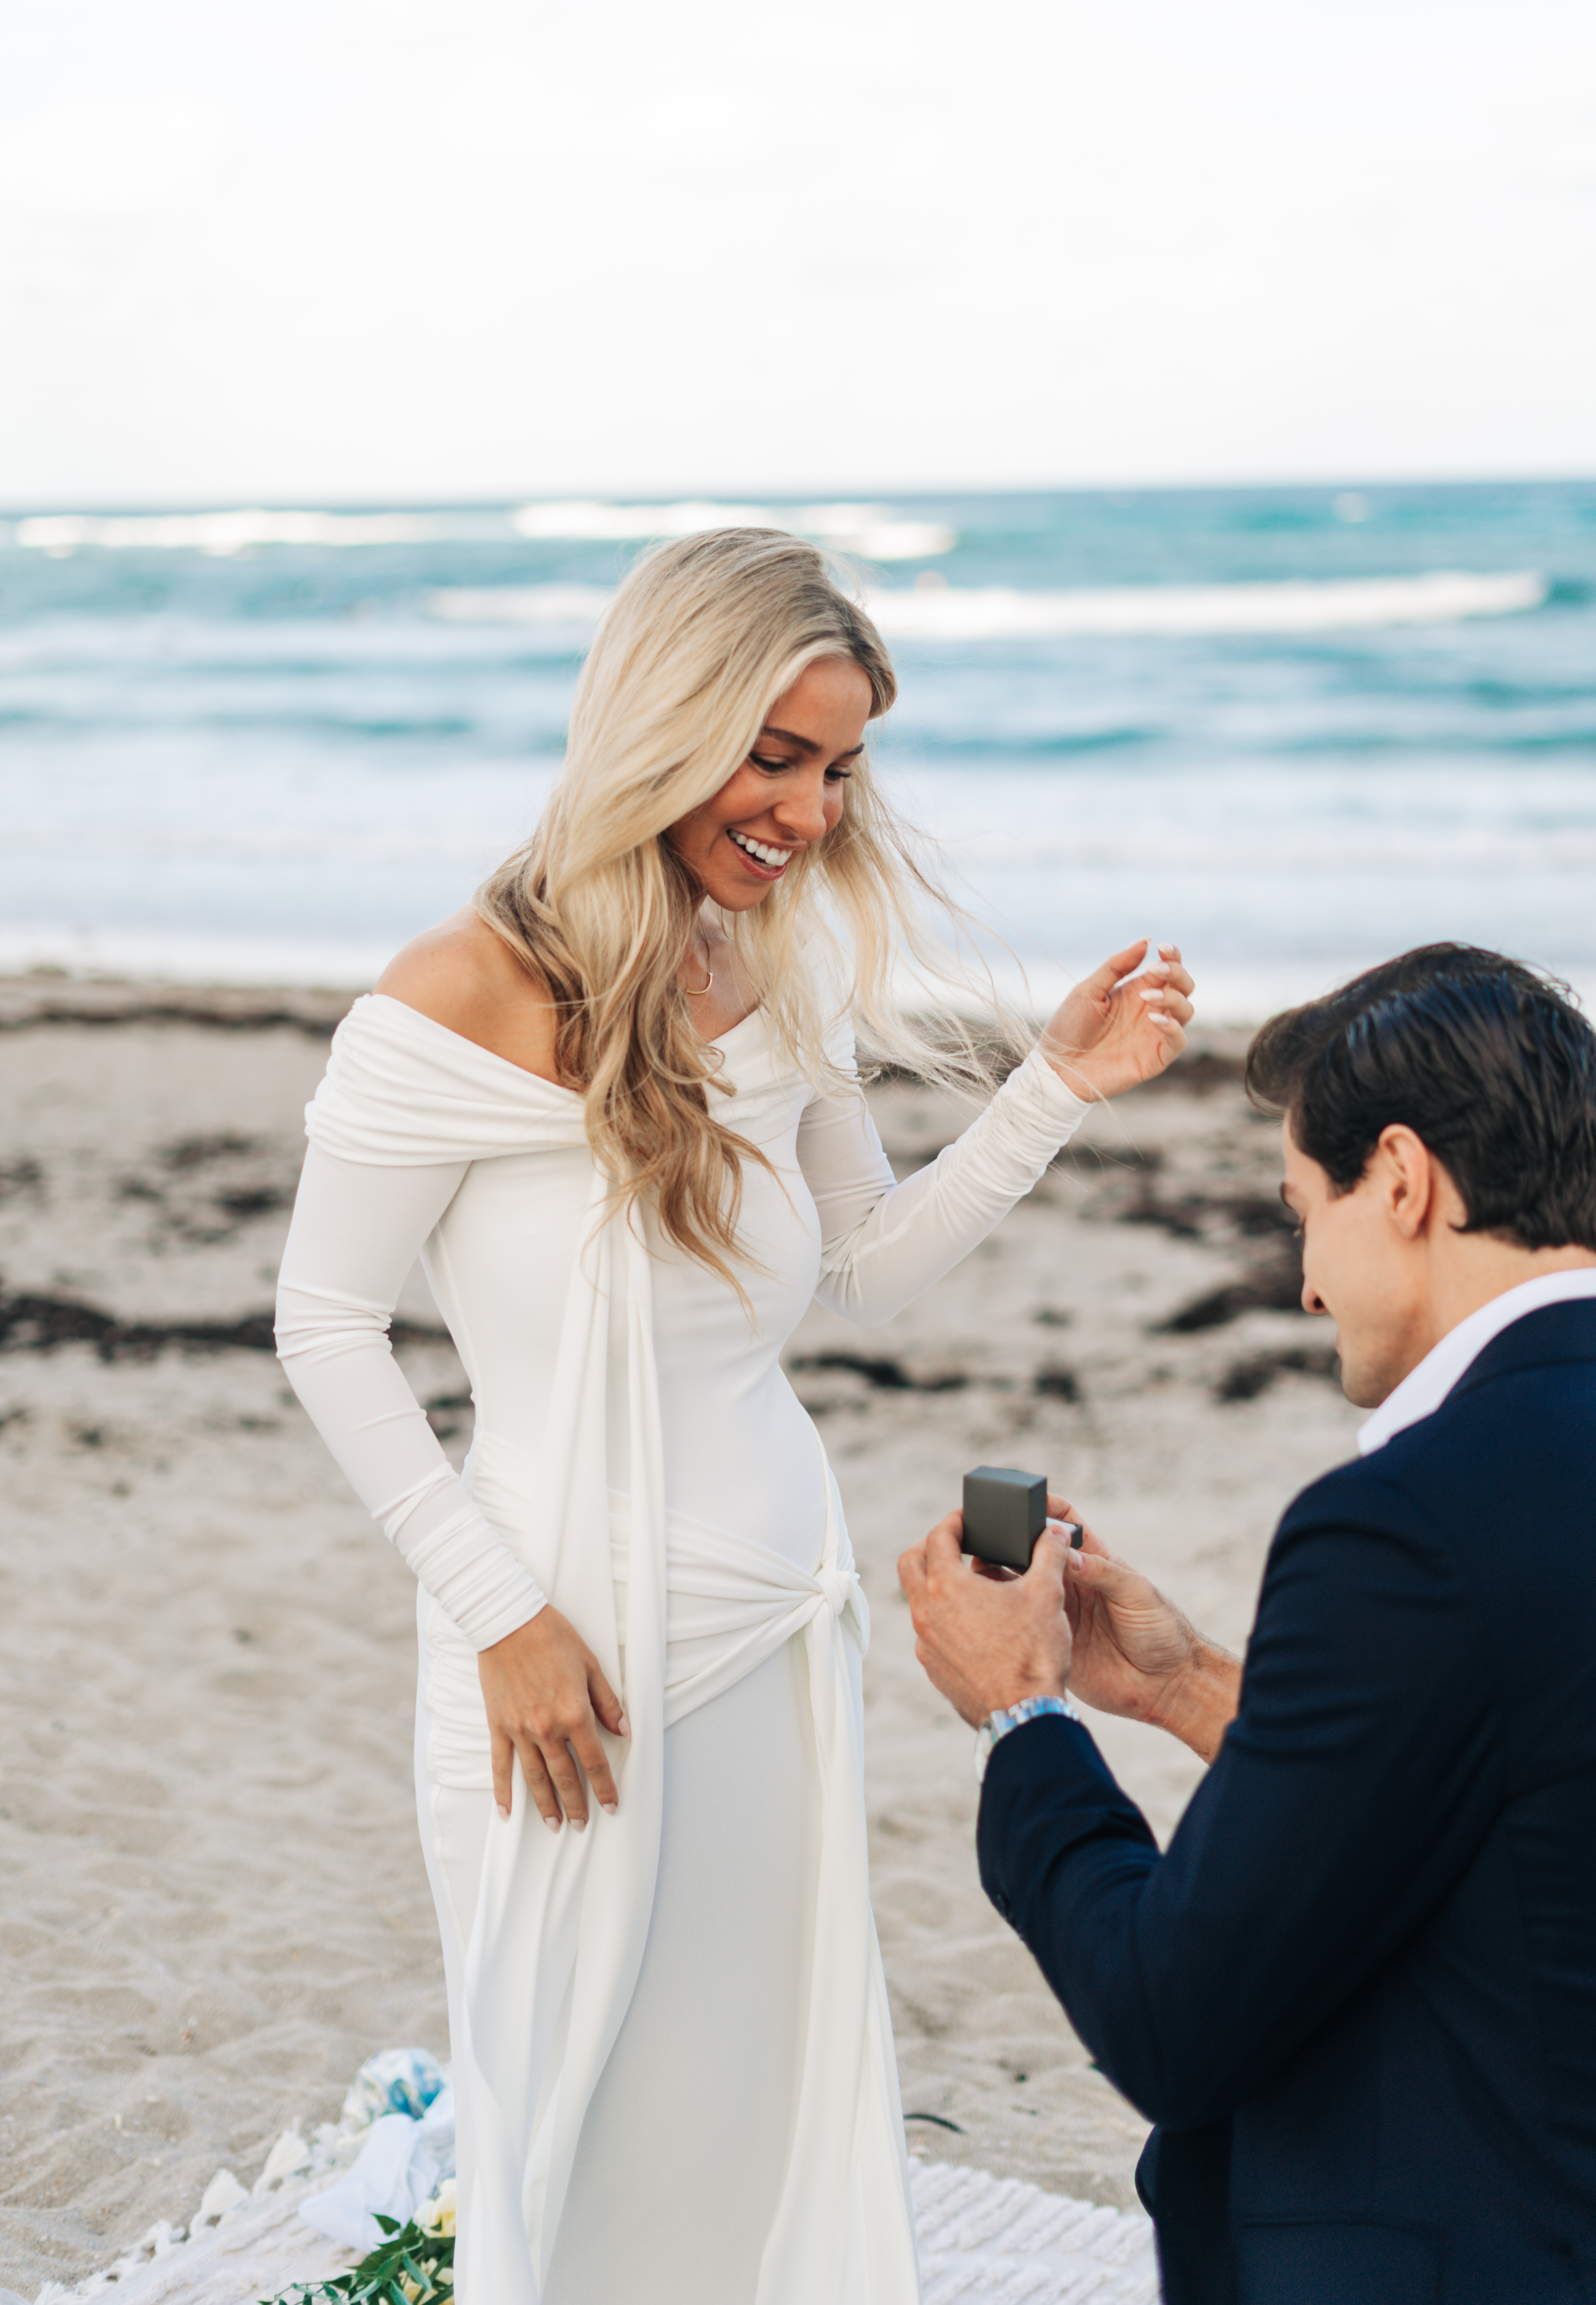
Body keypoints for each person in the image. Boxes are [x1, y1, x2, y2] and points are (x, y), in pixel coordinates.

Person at [273, 527, 1195, 2305]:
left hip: (779, 1619)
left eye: (837, 770)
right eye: (774, 756)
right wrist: (502, 1617)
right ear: (663, 721)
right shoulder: (454, 990)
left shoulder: (781, 970)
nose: (808, 814)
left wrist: (1052, 1088)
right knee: (574, 2108)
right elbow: (324, 1327)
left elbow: (863, 1267)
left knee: (752, 2100)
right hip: (560, 1641)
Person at [899, 943, 1596, 2305]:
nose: (1309, 1288)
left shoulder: (1406, 1524)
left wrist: (1022, 1715)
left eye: (1304, 1216)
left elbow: (1171, 2019)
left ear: (1402, 1180)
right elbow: (1521, 1794)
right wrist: (1189, 1685)